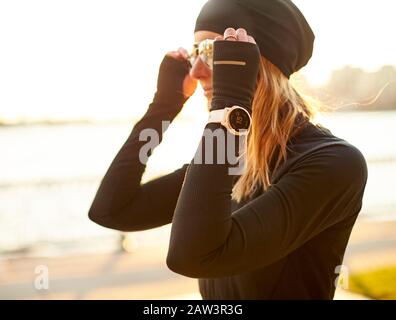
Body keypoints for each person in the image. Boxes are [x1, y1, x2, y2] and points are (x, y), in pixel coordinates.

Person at [88, 0, 368, 299]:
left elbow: (191, 255)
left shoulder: (334, 163)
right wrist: (162, 108)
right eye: (196, 52)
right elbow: (112, 210)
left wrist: (230, 107)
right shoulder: (231, 159)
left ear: (258, 61)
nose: (195, 71)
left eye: (211, 51)